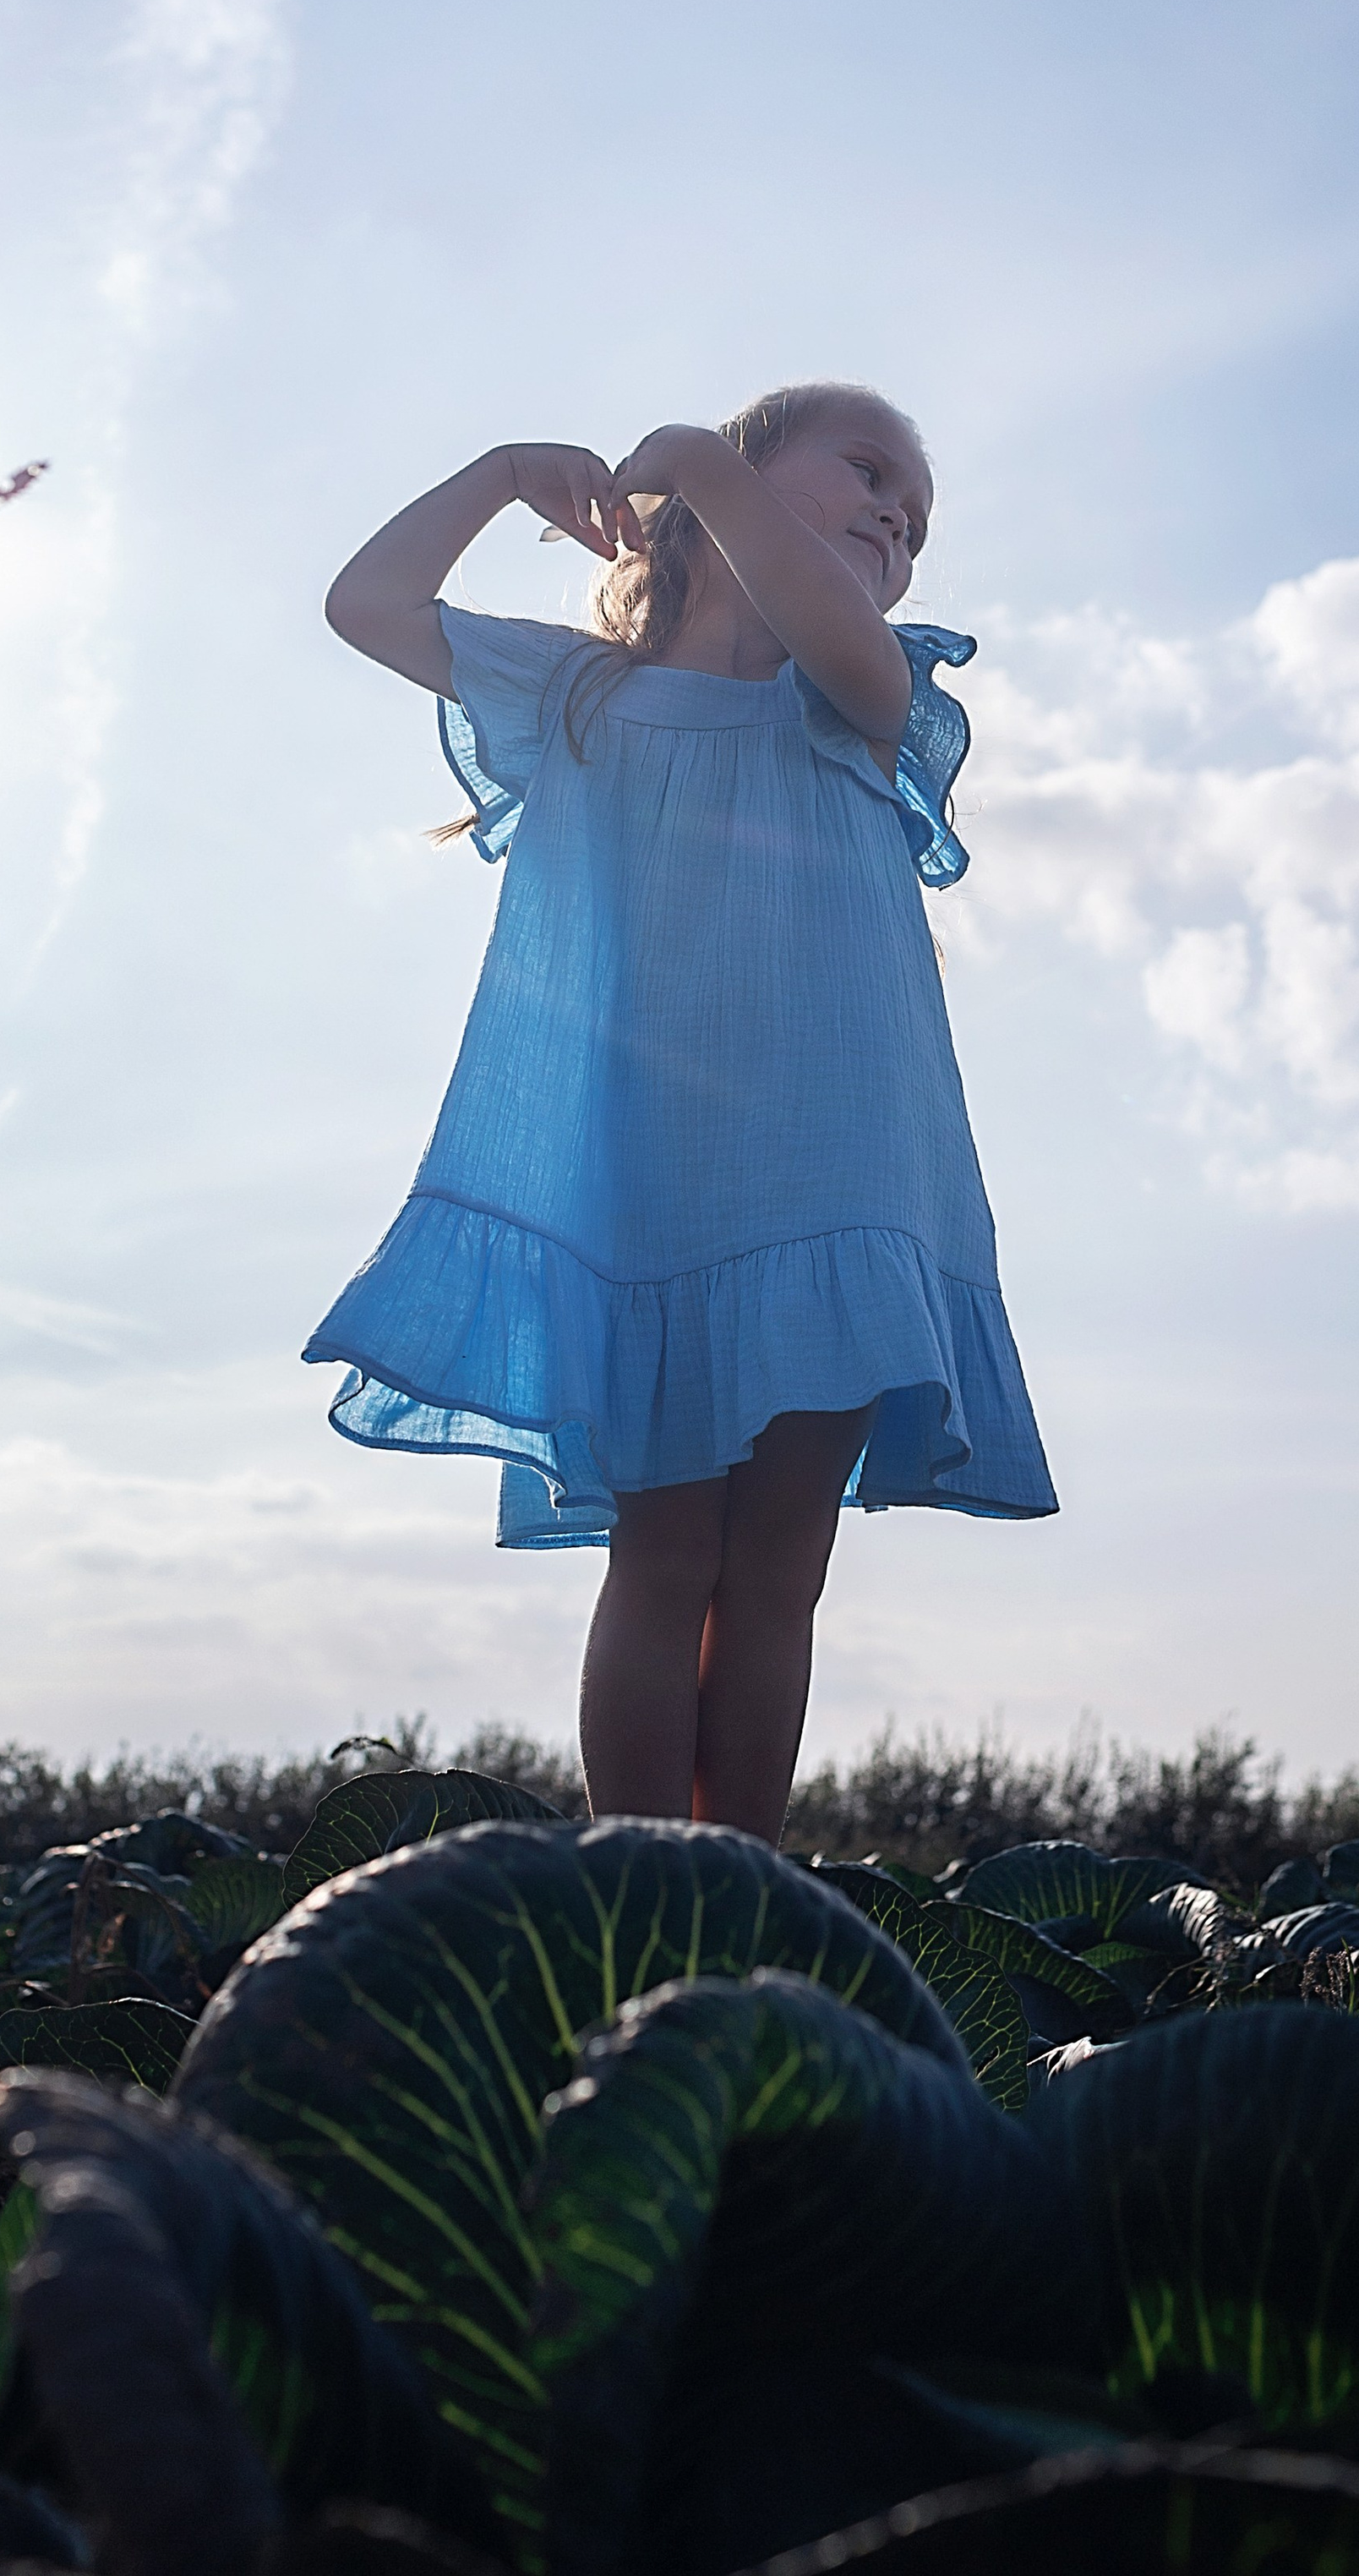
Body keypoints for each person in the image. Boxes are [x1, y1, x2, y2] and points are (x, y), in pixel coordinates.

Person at [308, 380, 1056, 1841]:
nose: (899, 517)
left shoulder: (865, 686)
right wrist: (505, 466)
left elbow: (835, 631)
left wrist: (702, 464)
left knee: (779, 1570)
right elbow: (366, 602)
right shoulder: (579, 696)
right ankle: (643, 1890)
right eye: (869, 470)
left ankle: (738, 1886)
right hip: (651, 1178)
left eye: (914, 519)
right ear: (751, 482)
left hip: (845, 1178)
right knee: (662, 1556)